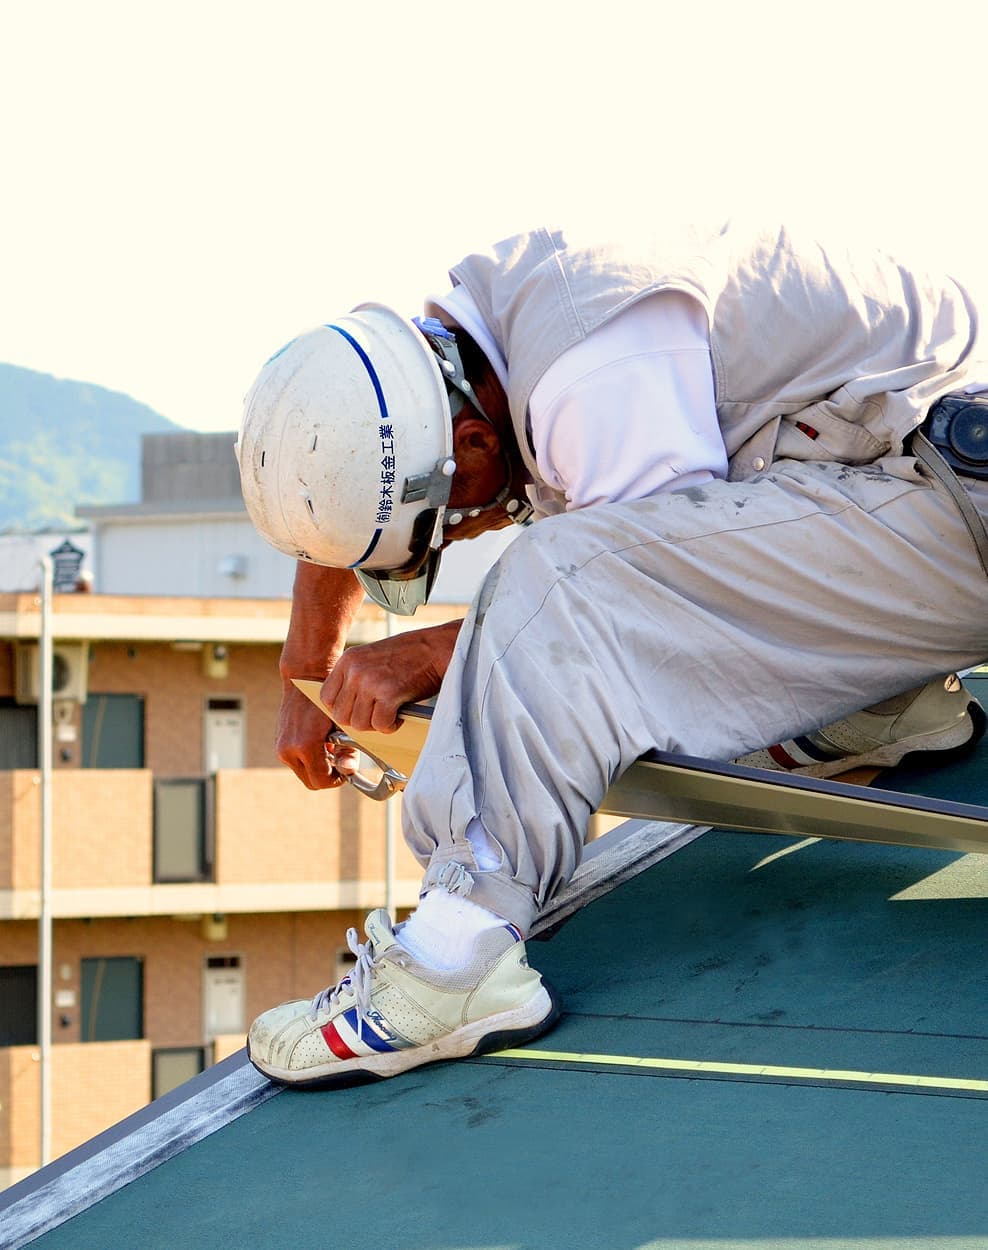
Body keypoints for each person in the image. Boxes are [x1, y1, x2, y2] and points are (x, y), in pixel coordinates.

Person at [238, 220, 988, 1089]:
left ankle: (454, 961)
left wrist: (445, 651)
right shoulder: (477, 330)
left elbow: (632, 610)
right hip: (913, 484)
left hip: (952, 506)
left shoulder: (593, 379)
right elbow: (348, 470)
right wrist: (306, 669)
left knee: (561, 574)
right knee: (577, 563)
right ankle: (882, 705)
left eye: (455, 519)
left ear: (476, 445)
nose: (473, 530)